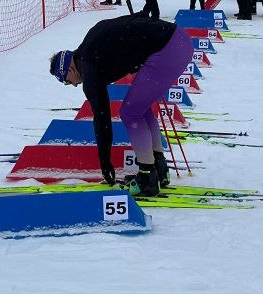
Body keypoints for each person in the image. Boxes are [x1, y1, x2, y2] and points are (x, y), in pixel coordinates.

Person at [49, 17, 194, 196]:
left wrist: (105, 160)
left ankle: (147, 177)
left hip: (166, 50)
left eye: (67, 81)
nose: (73, 85)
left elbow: (102, 118)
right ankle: (159, 166)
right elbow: (127, 21)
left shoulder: (89, 69)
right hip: (180, 39)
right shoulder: (90, 43)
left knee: (130, 113)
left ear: (69, 69)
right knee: (140, 107)